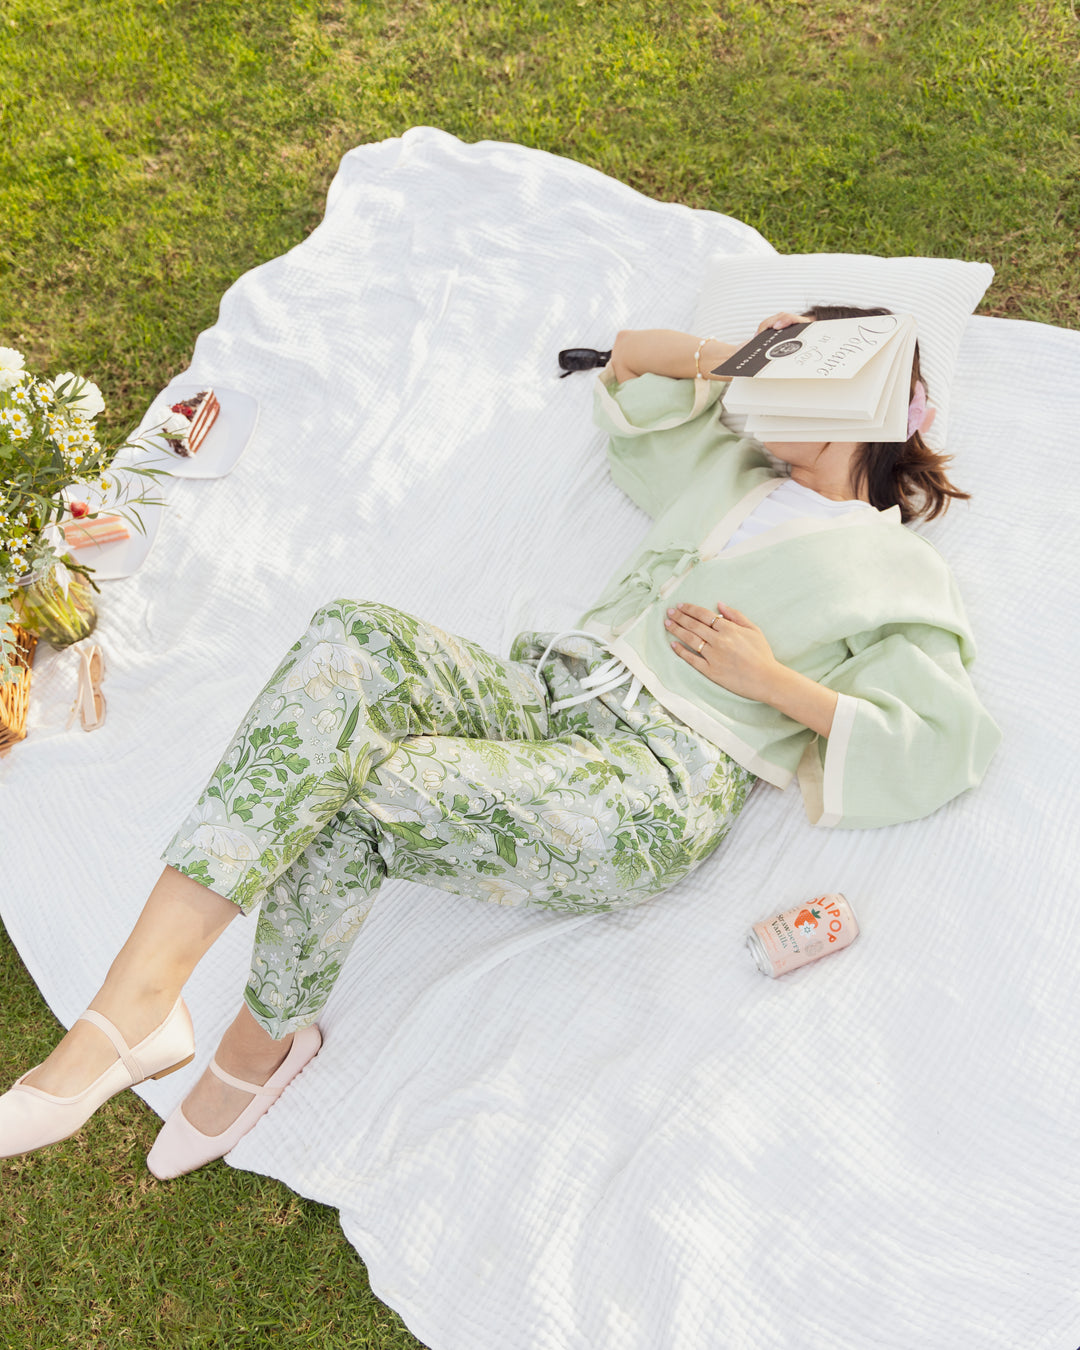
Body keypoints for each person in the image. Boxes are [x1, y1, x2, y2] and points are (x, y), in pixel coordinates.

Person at [0, 308, 1000, 1176]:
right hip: (545, 692)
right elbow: (629, 369)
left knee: (362, 792)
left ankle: (255, 1038)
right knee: (351, 636)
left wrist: (773, 684)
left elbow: (943, 744)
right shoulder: (728, 464)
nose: (765, 392)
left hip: (652, 782)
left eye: (804, 374)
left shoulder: (897, 570)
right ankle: (138, 1006)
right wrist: (743, 347)